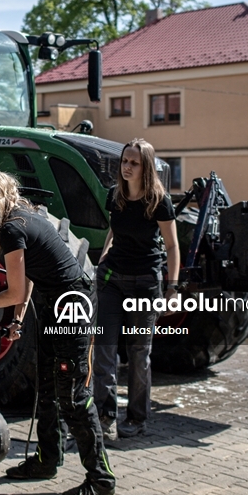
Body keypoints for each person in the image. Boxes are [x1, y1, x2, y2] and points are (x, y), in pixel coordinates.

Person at [0, 163, 115, 495]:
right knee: (45, 386)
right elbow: (26, 278)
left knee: (72, 393)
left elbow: (12, 289)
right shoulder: (21, 215)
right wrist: (18, 318)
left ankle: (101, 480)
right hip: (51, 299)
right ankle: (47, 459)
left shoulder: (13, 228)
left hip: (72, 302)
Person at [94, 139, 180, 440]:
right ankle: (103, 417)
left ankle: (136, 417)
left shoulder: (159, 201)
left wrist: (172, 289)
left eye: (134, 162)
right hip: (112, 280)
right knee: (103, 350)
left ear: (145, 167)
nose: (127, 167)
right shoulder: (115, 196)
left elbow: (171, 245)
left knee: (138, 353)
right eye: (124, 161)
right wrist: (103, 257)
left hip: (145, 282)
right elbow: (114, 231)